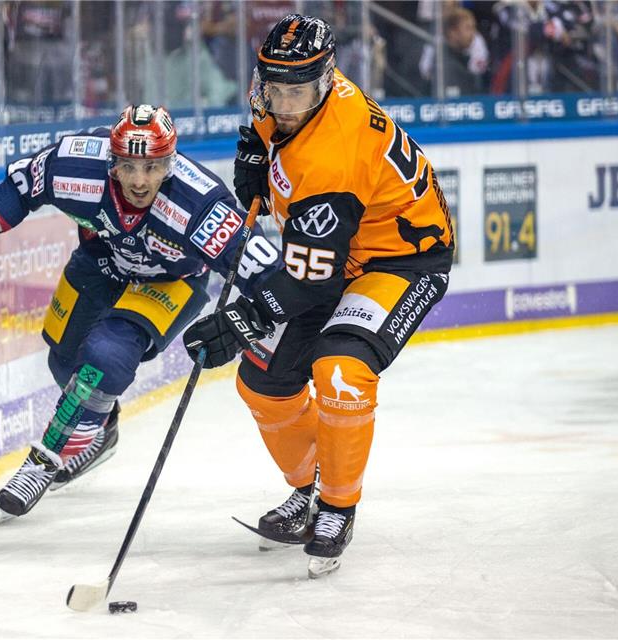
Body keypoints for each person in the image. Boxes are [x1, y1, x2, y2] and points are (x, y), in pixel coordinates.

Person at [183, 14, 454, 577]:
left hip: (400, 261)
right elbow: (264, 125)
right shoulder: (285, 96)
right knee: (263, 382)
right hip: (338, 253)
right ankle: (308, 489)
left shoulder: (335, 151)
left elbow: (312, 280)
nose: (283, 101)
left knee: (340, 370)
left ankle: (337, 505)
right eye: (274, 86)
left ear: (326, 79)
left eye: (297, 90)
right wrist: (256, 152)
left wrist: (243, 319)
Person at [0, 104, 281, 524]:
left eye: (151, 168)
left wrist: (260, 315)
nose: (138, 180)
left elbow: (263, 269)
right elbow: (25, 182)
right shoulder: (78, 163)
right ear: (111, 160)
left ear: (169, 164)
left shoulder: (199, 203)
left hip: (171, 280)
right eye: (128, 166)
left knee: (106, 355)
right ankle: (102, 426)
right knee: (64, 358)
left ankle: (47, 459)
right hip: (104, 257)